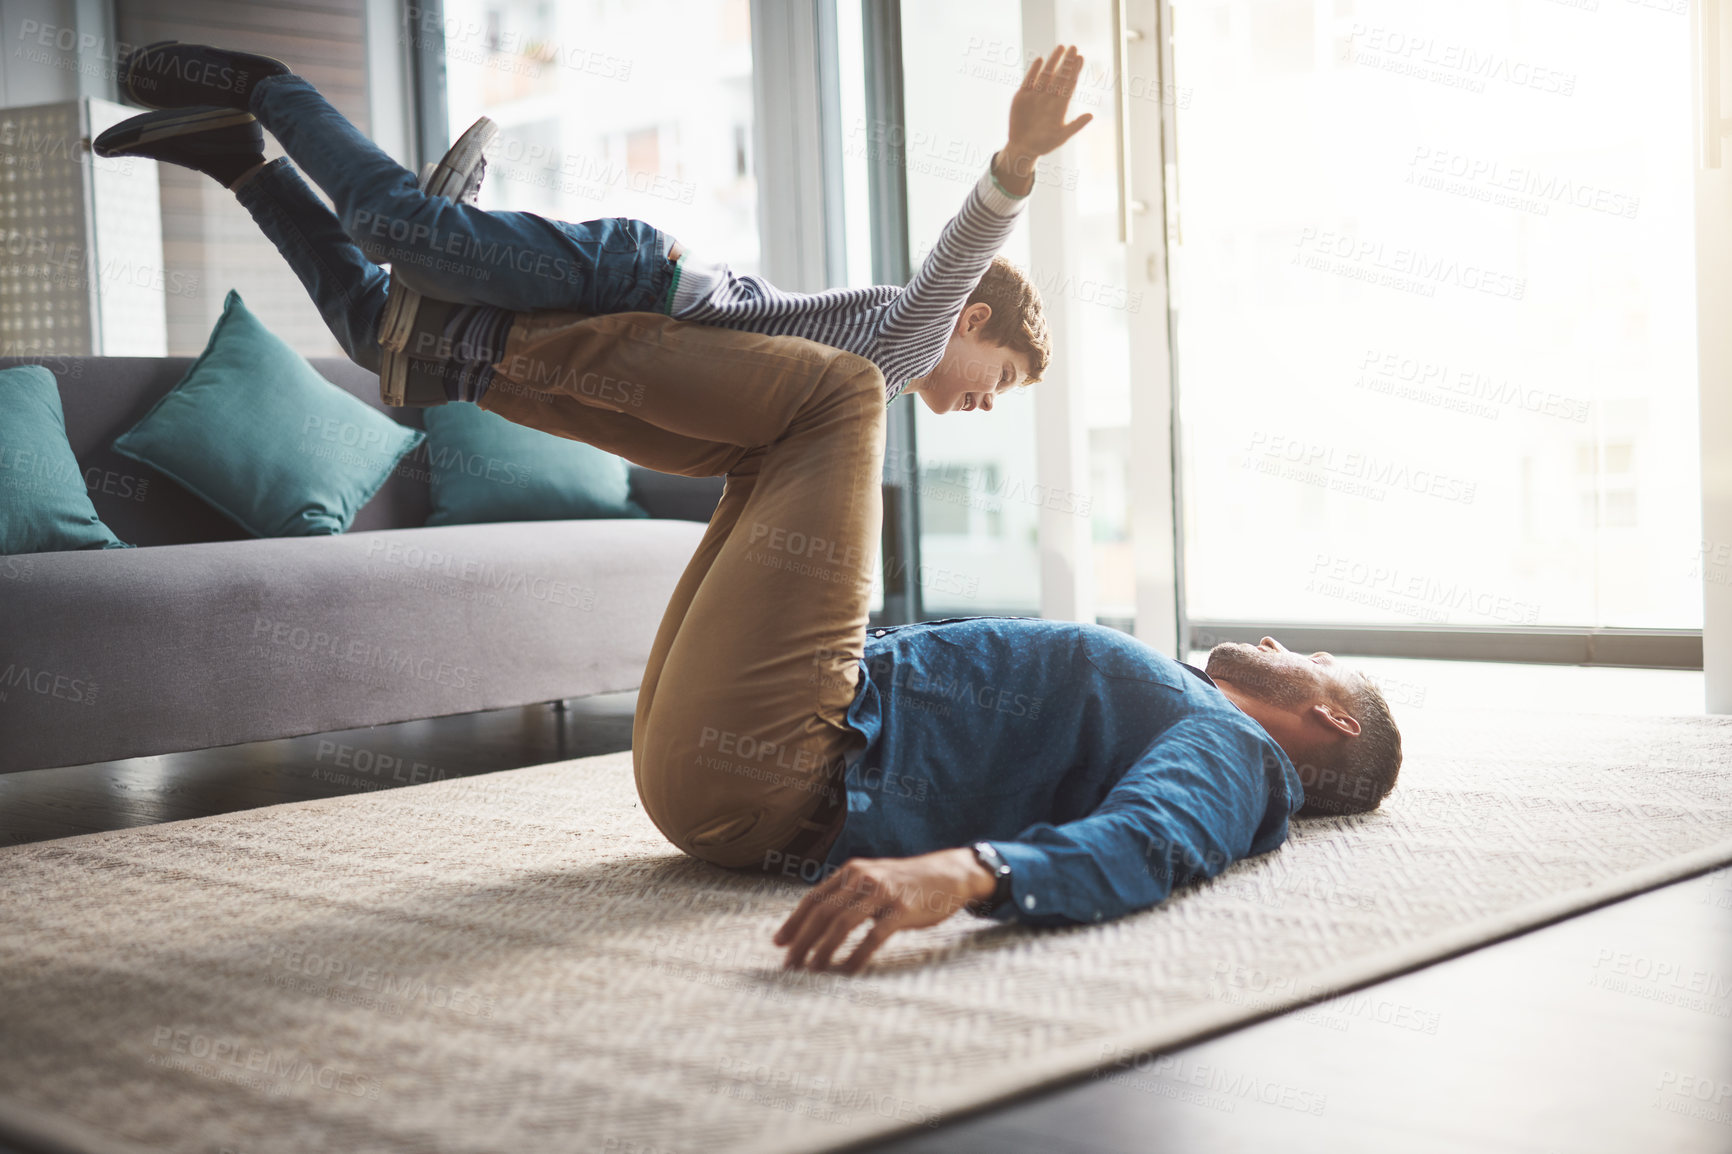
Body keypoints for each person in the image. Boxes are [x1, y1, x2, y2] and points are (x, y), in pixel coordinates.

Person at [95, 43, 1403, 977]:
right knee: (420, 345)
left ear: (1322, 714)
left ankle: (326, 165)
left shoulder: (1235, 757)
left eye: (1308, 659)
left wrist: (969, 874)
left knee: (839, 397)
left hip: (781, 766)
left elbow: (1152, 837)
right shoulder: (1171, 694)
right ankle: (370, 268)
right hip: (734, 735)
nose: (1283, 645)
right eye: (996, 384)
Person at [95, 40, 1090, 410]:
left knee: (375, 344)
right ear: (970, 325)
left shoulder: (858, 393)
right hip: (633, 281)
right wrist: (1015, 166)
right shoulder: (906, 348)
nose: (986, 405)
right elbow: (963, 252)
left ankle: (241, 166)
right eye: (998, 382)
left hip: (607, 325)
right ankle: (274, 89)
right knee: (398, 232)